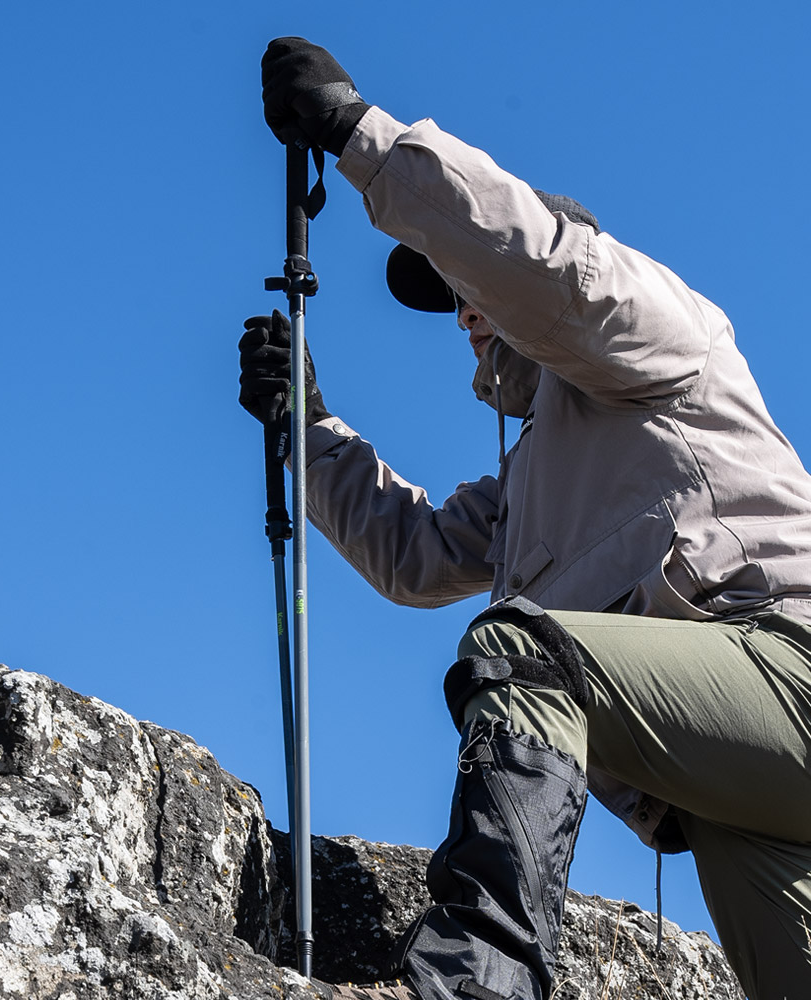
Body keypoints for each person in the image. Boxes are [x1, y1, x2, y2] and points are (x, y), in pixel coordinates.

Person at [238, 37, 811, 1000]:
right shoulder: (532, 476)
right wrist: (310, 427)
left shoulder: (661, 326)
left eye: (465, 282)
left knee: (521, 653)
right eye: (452, 298)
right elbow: (417, 556)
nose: (462, 308)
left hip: (791, 671)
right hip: (735, 786)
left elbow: (545, 271)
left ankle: (478, 986)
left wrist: (358, 132)